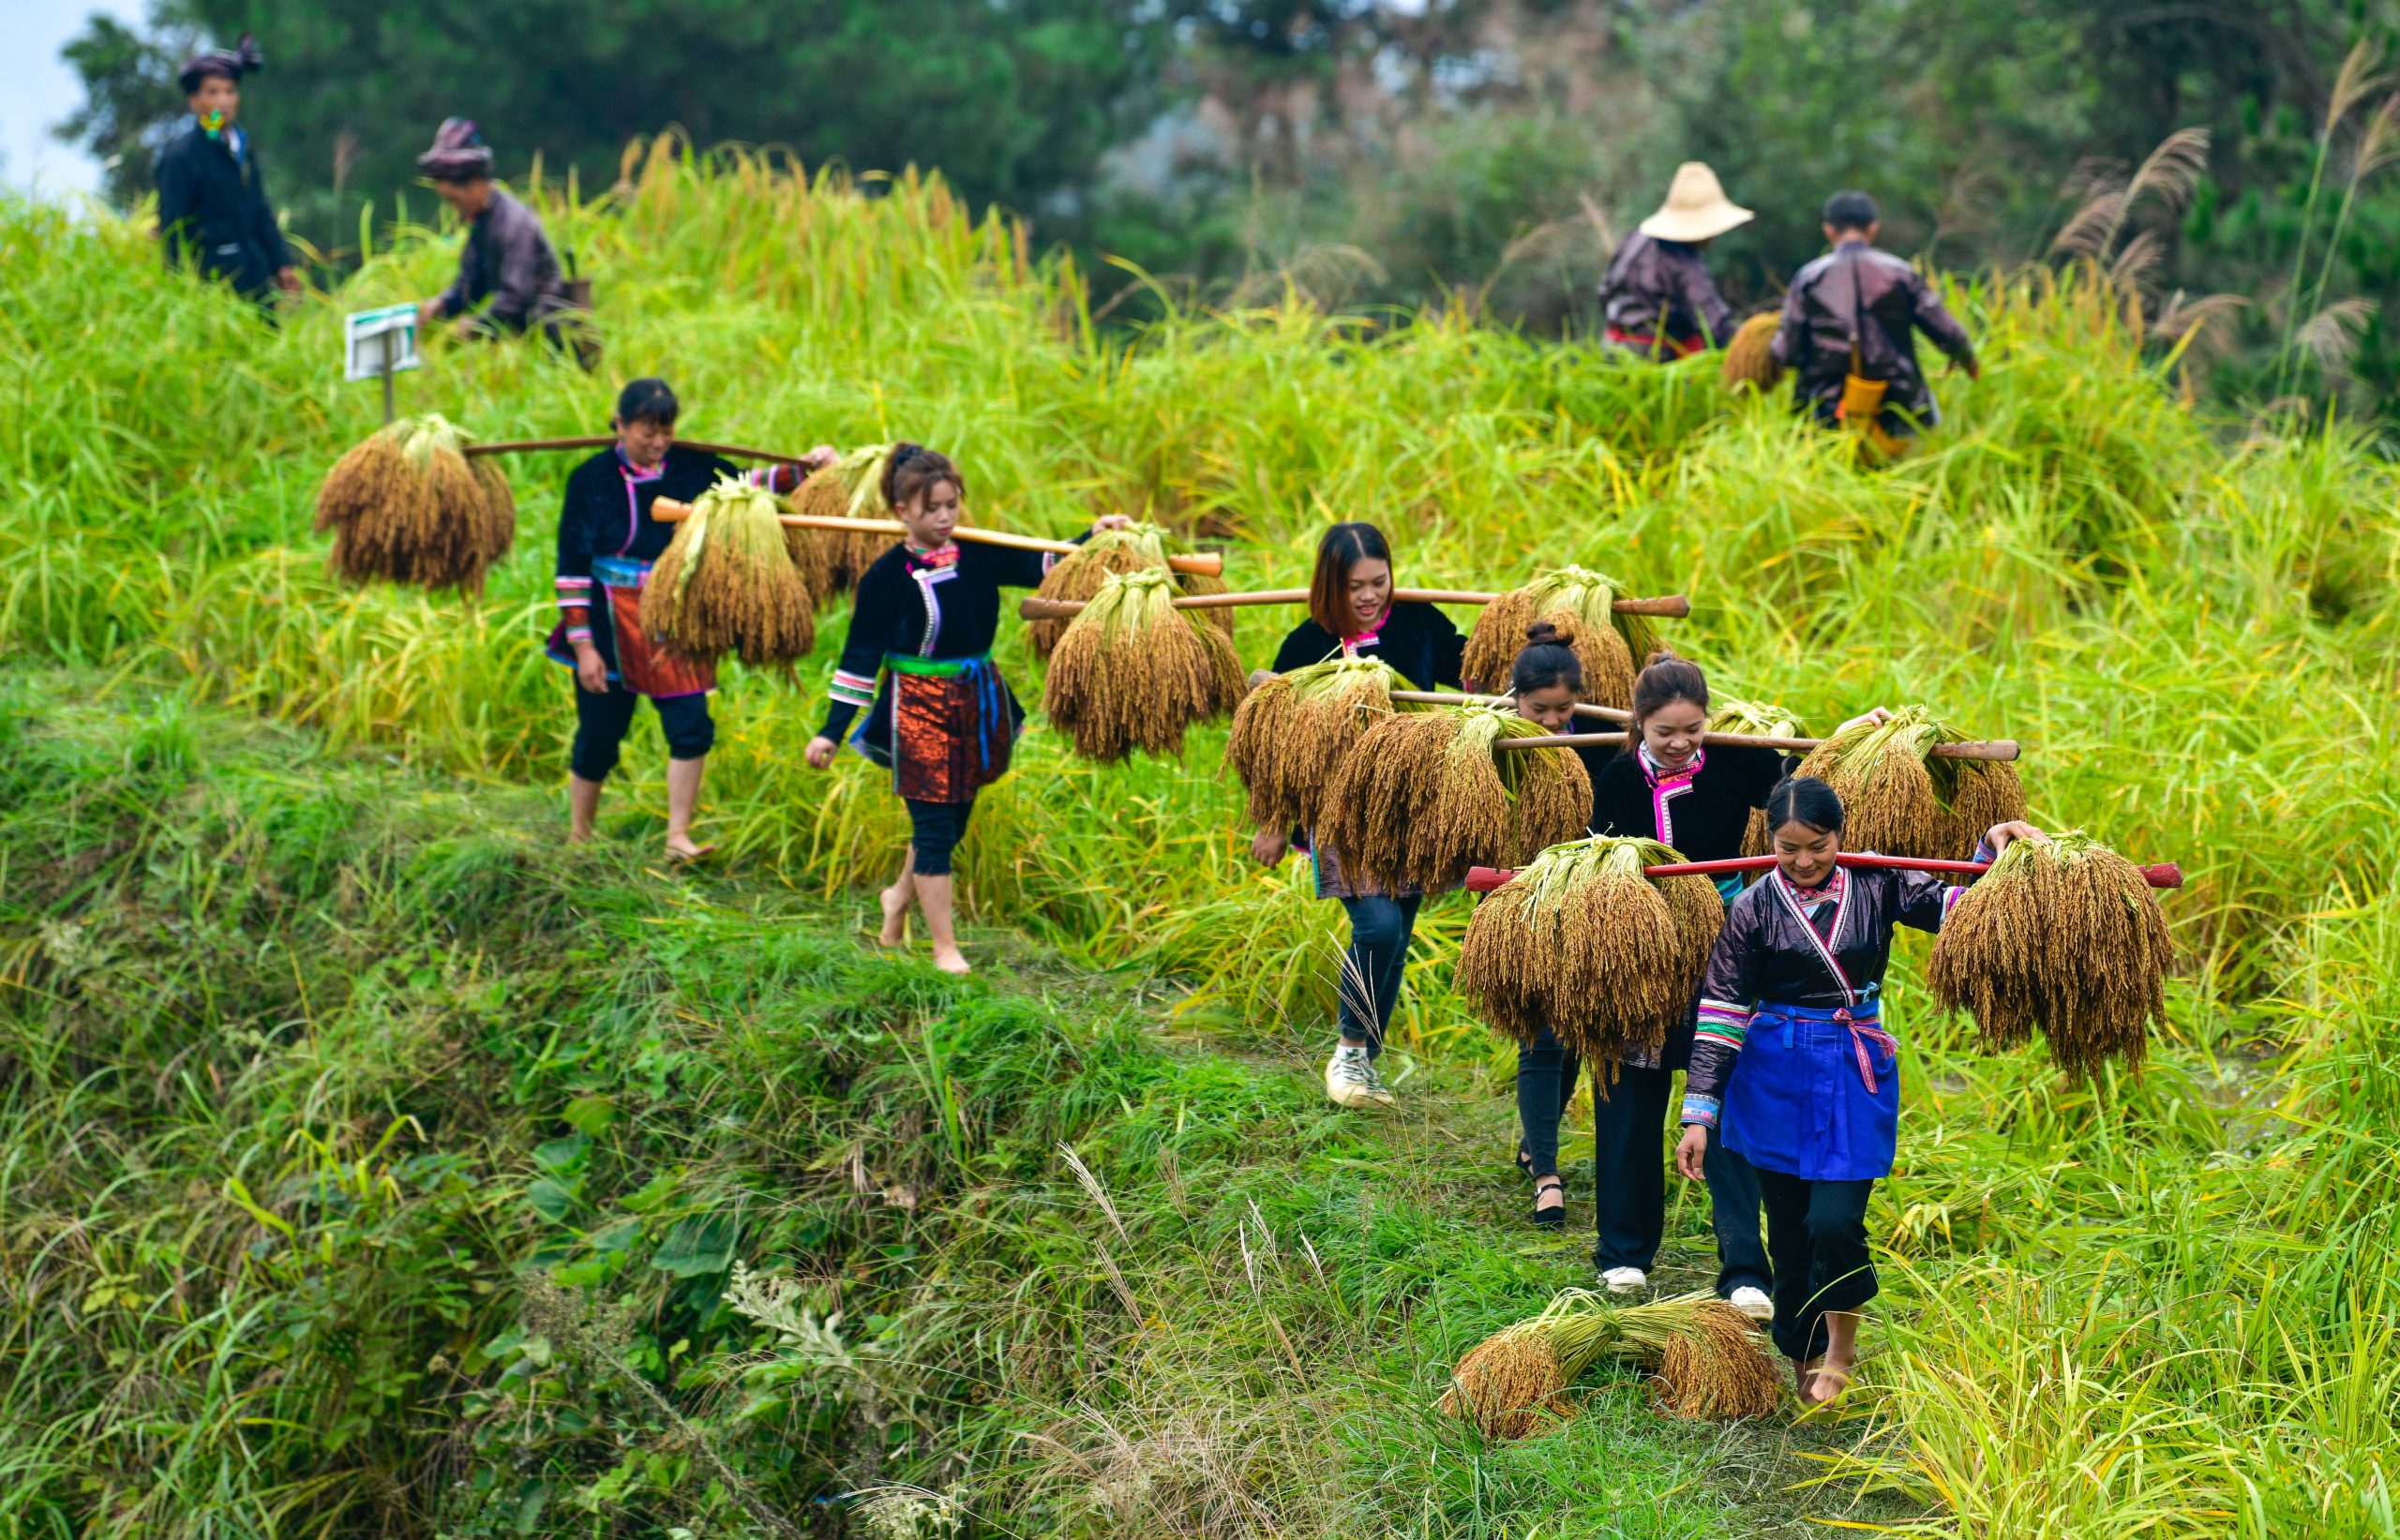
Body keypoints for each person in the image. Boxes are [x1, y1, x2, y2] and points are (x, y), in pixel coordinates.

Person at [1673, 776, 2045, 1405]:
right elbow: (1721, 1011)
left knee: (1834, 1221)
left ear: (1839, 835)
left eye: (1817, 845)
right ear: (1769, 841)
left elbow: (1959, 908)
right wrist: (1699, 1112)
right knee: (1789, 1232)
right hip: (1774, 1075)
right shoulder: (1753, 908)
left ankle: (1843, 1341)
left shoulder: (1878, 882)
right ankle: (1801, 1348)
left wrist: (1990, 849)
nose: (1803, 861)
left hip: (1850, 1066)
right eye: (1788, 848)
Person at [1507, 650, 1783, 1317]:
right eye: (1666, 732)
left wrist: (1856, 731)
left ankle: (1745, 1265)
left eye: (1693, 728)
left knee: (1725, 1098)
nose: (1682, 743)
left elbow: (1808, 784)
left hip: (1723, 947)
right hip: (1640, 956)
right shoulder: (1618, 778)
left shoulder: (1738, 761)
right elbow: (1599, 868)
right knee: (1628, 1095)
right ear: (1640, 725)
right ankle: (1624, 1253)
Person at [804, 446, 1130, 975]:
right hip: (918, 712)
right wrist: (829, 732)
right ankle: (944, 950)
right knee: (934, 829)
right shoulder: (886, 578)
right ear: (901, 510)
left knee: (951, 822)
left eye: (951, 505)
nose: (943, 517)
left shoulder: (977, 552)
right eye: (931, 508)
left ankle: (896, 902)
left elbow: (1043, 563)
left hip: (976, 704)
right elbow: (858, 660)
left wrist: (1093, 536)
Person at [552, 378, 833, 861]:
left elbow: (747, 486)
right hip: (606, 619)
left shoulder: (690, 468)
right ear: (619, 425)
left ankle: (677, 837)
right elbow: (572, 567)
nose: (657, 442)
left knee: (691, 726)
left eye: (665, 431)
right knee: (600, 733)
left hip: (673, 615)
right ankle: (580, 837)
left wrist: (805, 468)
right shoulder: (591, 479)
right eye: (646, 432)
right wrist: (584, 647)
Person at [1251, 522, 1467, 1109]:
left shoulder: (1419, 624)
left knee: (1397, 938)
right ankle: (1348, 1052)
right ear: (1330, 586)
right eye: (1354, 587)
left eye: (1379, 582)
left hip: (1411, 806)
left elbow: (1472, 666)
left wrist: (1533, 646)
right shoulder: (1306, 646)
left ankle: (1363, 1065)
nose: (1369, 597)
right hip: (1340, 810)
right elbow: (1275, 739)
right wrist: (1273, 819)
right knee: (1376, 927)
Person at [1768, 190, 1980, 447]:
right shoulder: (1900, 273)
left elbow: (1786, 352)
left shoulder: (1808, 278)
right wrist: (1967, 359)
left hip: (1825, 412)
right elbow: (1945, 329)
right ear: (1873, 228)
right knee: (1920, 432)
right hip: (1898, 406)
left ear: (1829, 231)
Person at [155, 35, 301, 309]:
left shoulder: (240, 147)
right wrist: (182, 292)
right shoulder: (182, 157)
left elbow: (258, 209)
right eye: (213, 92)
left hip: (254, 275)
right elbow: (173, 230)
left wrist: (282, 263)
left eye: (230, 91)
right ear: (194, 100)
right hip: (211, 287)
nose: (224, 101)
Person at [412, 119, 582, 353]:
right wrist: (440, 305)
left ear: (474, 184)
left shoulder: (514, 223)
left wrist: (476, 325)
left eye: (454, 199)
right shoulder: (483, 222)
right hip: (522, 341)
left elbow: (515, 296)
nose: (453, 208)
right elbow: (471, 282)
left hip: (551, 340)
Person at [1597, 162, 1749, 360]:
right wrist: (1757, 338)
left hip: (1611, 352)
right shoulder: (1681, 262)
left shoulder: (1633, 239)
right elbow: (1716, 327)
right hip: (1655, 361)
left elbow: (1604, 293)